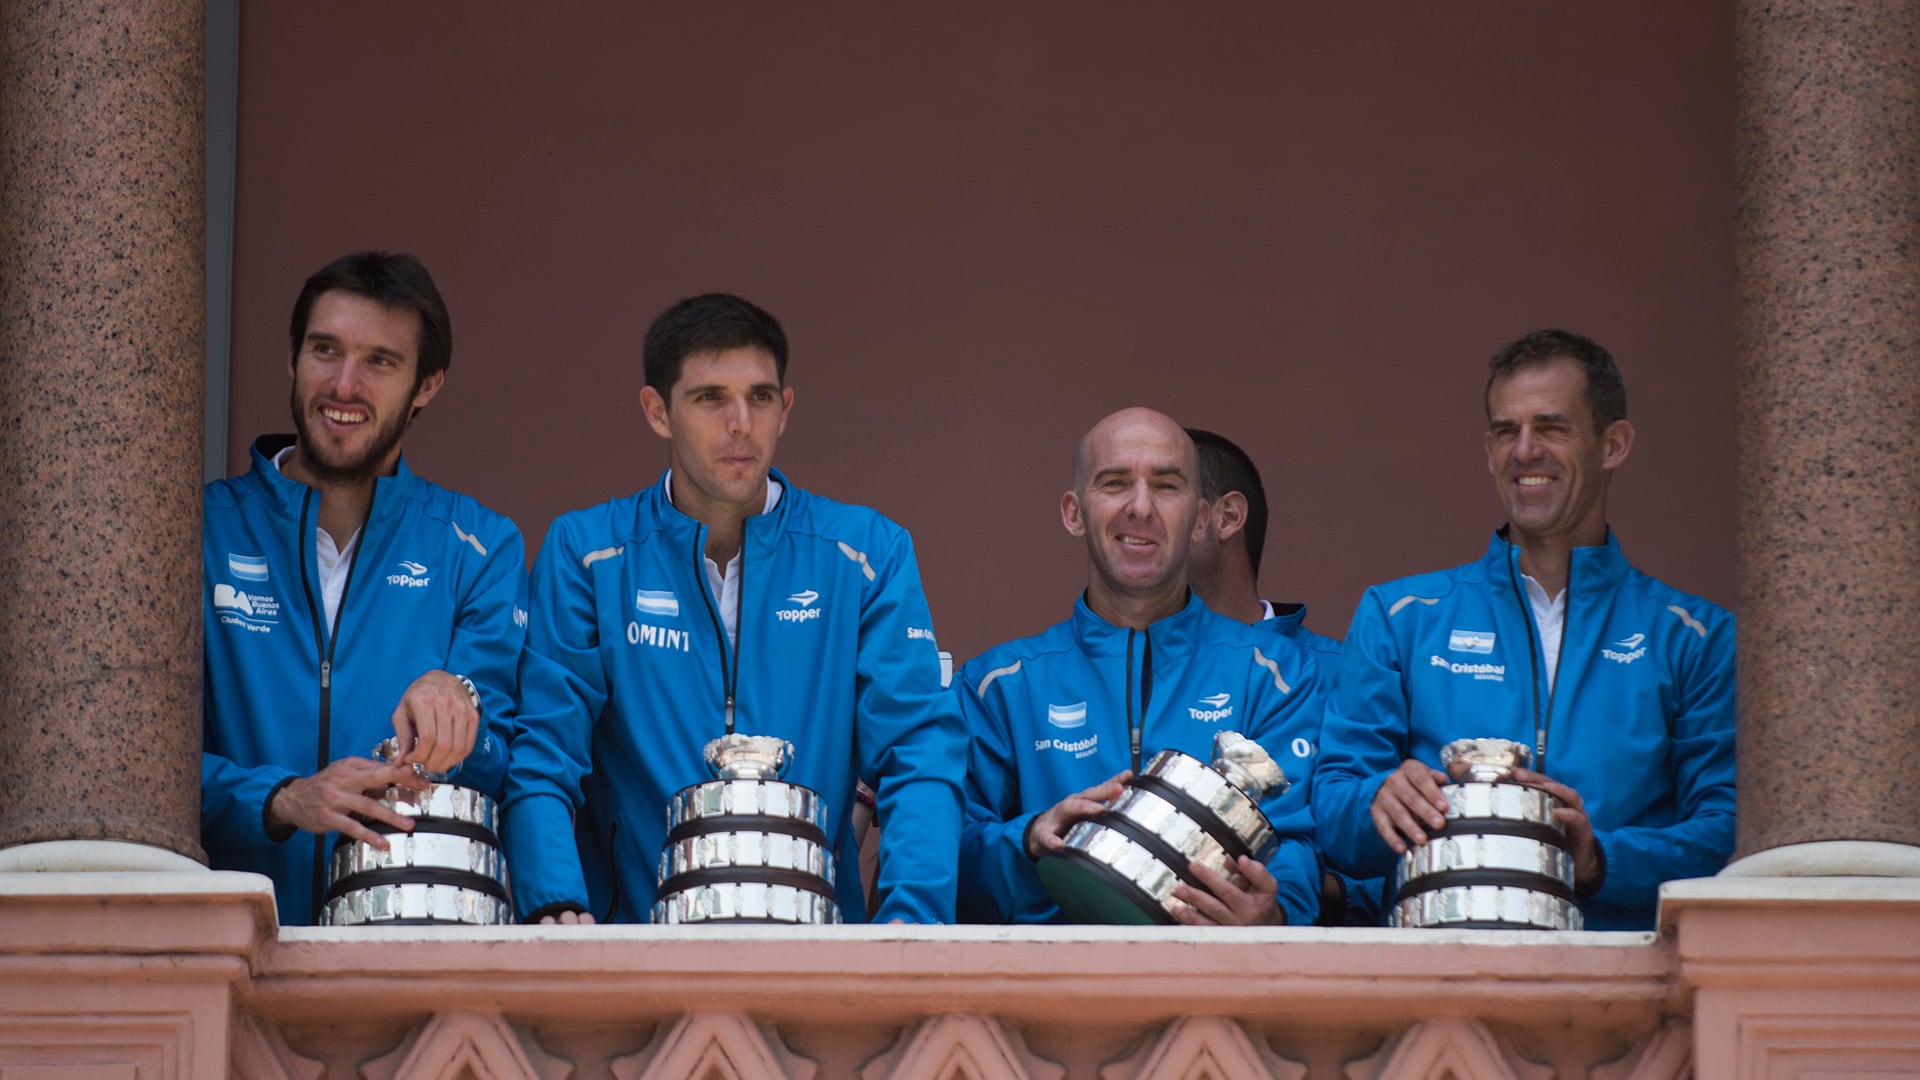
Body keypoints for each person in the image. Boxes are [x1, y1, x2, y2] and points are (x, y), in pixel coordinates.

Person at [502, 293, 965, 925]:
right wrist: (554, 901)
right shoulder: (589, 553)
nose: (741, 423)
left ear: (785, 409)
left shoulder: (866, 554)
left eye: (760, 397)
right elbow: (544, 749)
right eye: (710, 398)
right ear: (658, 411)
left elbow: (919, 751)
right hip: (636, 949)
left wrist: (913, 922)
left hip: (815, 954)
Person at [1313, 329, 1735, 930]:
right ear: (1489, 450)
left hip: (1618, 970)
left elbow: (1727, 832)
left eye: (1552, 428)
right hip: (1432, 965)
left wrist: (1599, 859)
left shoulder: (1695, 638)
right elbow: (1334, 809)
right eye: (1507, 431)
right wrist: (1375, 801)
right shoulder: (1401, 615)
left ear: (1613, 444)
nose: (1525, 450)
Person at [201, 252, 527, 927]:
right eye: (325, 350)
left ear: (426, 385)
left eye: (380, 361)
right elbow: (129, 765)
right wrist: (279, 799)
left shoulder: (479, 546)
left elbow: (502, 771)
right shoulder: (196, 530)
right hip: (219, 944)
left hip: (400, 950)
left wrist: (460, 708)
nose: (344, 385)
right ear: (292, 359)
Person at [958, 407, 1323, 926]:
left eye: (1166, 486)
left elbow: (1298, 842)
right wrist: (1028, 839)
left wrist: (1276, 913)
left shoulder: (1275, 675)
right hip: (1048, 973)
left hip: (1213, 970)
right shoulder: (998, 686)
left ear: (1200, 520)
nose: (1141, 507)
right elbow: (945, 856)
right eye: (1114, 483)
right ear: (1074, 513)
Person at [1183, 426, 1372, 925]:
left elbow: (1403, 859)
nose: (1143, 513)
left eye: (1169, 492)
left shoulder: (1344, 672)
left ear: (1227, 517)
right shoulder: (1121, 677)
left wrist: (1307, 891)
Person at [1184, 427, 1341, 668]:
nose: (1139, 510)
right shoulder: (1124, 670)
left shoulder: (1338, 674)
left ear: (1227, 517)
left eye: (1165, 491)